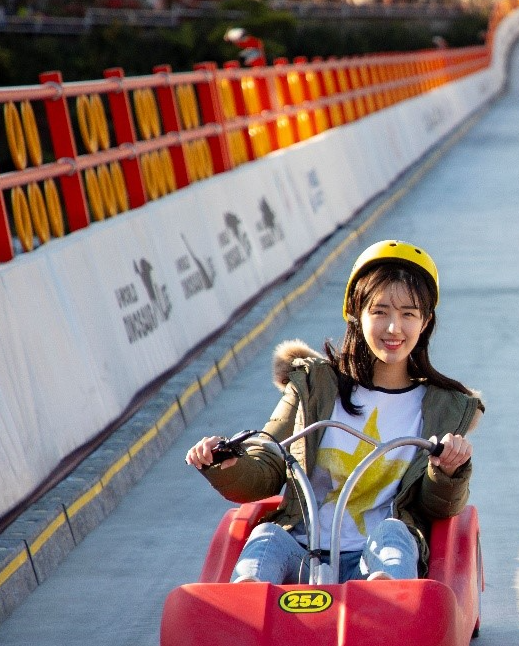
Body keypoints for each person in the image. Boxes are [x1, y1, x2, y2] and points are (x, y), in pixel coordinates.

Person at [185, 241, 483, 584]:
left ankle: (386, 600)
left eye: (408, 314)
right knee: (267, 538)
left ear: (425, 321)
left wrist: (447, 472)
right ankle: (246, 602)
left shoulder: (441, 408)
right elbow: (268, 461)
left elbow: (438, 508)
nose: (393, 328)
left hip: (374, 554)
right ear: (356, 313)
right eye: (380, 311)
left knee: (394, 535)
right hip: (302, 551)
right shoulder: (315, 385)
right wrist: (229, 466)